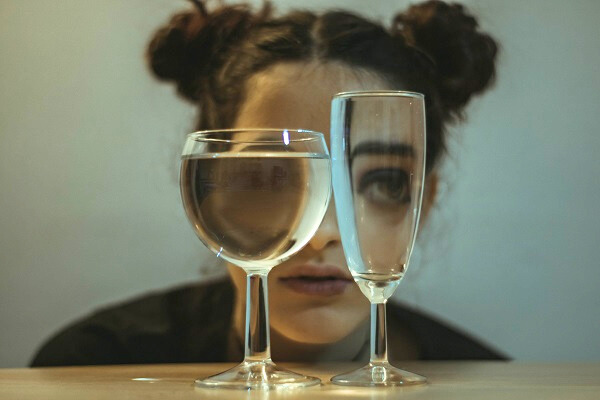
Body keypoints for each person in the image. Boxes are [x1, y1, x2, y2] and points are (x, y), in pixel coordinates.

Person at [31, 0, 505, 366]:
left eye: (383, 181)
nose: (321, 234)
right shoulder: (91, 366)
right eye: (270, 176)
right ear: (209, 195)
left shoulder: (492, 380)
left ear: (424, 202)